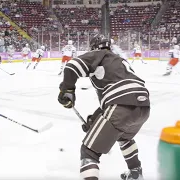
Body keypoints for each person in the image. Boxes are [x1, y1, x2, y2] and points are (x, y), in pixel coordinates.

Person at [57, 34, 150, 180]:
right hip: (143, 104)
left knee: (89, 152)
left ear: (94, 47)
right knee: (125, 138)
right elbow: (115, 101)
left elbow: (71, 66)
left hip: (121, 103)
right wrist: (96, 120)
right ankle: (136, 173)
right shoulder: (119, 59)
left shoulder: (98, 54)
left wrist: (67, 90)